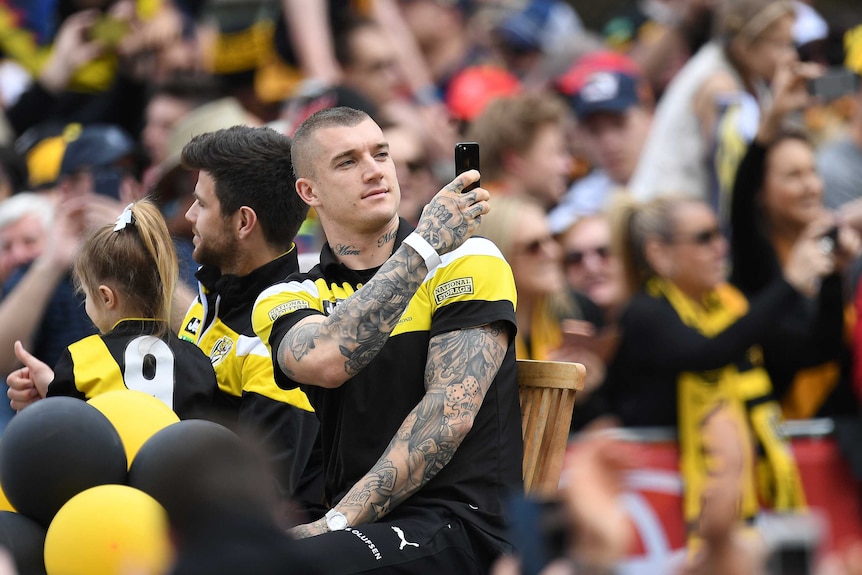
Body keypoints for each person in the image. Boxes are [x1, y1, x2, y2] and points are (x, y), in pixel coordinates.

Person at [251, 107, 515, 573]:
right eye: (347, 161)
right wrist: (423, 248)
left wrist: (334, 524)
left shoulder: (469, 257)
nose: (374, 170)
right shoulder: (291, 294)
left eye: (381, 154)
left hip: (460, 524)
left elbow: (447, 418)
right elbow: (328, 360)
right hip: (356, 529)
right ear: (308, 191)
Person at [602, 194, 829, 544]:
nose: (721, 247)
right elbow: (707, 353)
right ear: (659, 253)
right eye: (704, 238)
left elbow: (813, 352)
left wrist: (833, 277)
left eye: (720, 234)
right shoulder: (645, 314)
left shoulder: (727, 309)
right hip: (659, 515)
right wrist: (789, 283)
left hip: (733, 509)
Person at [175, 125, 324, 516]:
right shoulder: (217, 289)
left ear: (243, 222)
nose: (188, 215)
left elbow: (262, 495)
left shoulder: (284, 339)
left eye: (201, 205)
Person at [730, 61, 860, 420]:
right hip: (782, 433)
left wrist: (835, 275)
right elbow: (740, 197)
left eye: (812, 172)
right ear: (762, 192)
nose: (811, 187)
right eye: (793, 176)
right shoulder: (754, 254)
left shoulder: (831, 243)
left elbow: (827, 349)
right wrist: (774, 116)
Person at [6, 200, 216, 420]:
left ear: (106, 297)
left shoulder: (81, 359)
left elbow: (64, 424)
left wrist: (50, 389)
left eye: (86, 295)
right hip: (184, 455)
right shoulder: (198, 359)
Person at [628, 0, 798, 216]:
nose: (791, 56)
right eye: (780, 45)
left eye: (792, 43)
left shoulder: (753, 78)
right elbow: (733, 173)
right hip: (665, 218)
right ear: (744, 47)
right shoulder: (719, 85)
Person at [549, 52, 654, 232]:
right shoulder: (581, 202)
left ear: (648, 116)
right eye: (594, 131)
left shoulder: (682, 178)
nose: (608, 142)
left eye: (619, 124)